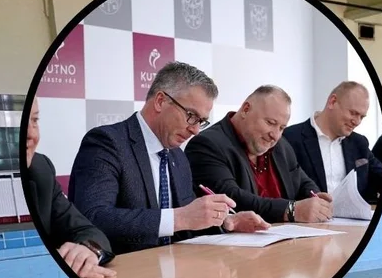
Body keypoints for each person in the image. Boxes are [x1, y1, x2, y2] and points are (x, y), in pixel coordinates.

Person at [69, 61, 269, 255]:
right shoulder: (107, 143)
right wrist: (178, 218)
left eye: (201, 121)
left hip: (175, 269)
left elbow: (187, 224)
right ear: (160, 101)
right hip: (124, 271)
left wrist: (225, 222)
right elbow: (94, 217)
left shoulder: (178, 156)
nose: (195, 130)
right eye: (191, 115)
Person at [184, 85, 332, 224]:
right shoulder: (207, 144)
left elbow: (302, 181)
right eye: (270, 123)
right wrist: (291, 210)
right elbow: (232, 199)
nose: (275, 135)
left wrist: (315, 198)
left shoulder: (282, 146)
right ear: (246, 109)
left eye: (281, 128)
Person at [22, 97, 115, 278]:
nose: (31, 134)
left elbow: (88, 231)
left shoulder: (41, 169)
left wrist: (85, 252)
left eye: (34, 120)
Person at [283, 81, 382, 205]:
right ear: (332, 102)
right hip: (307, 216)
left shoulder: (359, 143)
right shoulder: (289, 139)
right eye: (353, 113)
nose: (357, 122)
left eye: (361, 117)